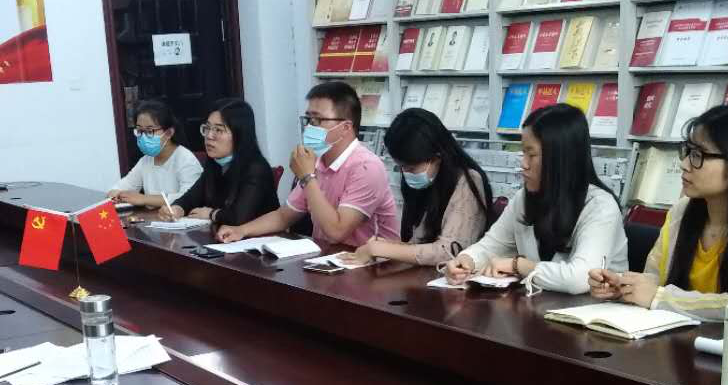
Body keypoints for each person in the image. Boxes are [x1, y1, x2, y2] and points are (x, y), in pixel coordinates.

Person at [588, 103, 728, 320]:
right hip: (690, 336)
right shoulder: (682, 210)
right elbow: (654, 279)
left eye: (697, 155)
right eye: (688, 151)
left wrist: (659, 297)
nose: (684, 164)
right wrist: (625, 287)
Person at [444, 104, 624, 293]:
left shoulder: (601, 206)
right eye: (523, 153)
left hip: (591, 309)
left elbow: (580, 279)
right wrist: (467, 260)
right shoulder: (524, 197)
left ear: (560, 158)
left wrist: (518, 265)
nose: (524, 164)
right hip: (541, 304)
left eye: (532, 154)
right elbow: (493, 245)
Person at [215, 80, 399, 247]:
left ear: (345, 127)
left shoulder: (367, 167)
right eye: (309, 119)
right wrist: (242, 230)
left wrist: (307, 177)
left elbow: (336, 232)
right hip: (329, 259)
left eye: (318, 120)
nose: (310, 127)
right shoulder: (318, 161)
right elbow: (284, 216)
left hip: (375, 265)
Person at [341, 107, 490, 266]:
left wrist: (381, 249)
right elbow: (419, 243)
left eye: (411, 168)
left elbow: (450, 251)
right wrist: (387, 246)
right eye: (401, 167)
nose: (406, 174)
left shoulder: (468, 181)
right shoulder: (430, 183)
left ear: (437, 157)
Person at [164, 98, 280, 227]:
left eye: (218, 130)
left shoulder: (256, 168)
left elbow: (239, 217)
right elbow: (190, 198)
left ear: (239, 134)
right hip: (226, 236)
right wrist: (177, 208)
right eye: (207, 128)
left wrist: (211, 214)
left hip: (261, 238)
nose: (209, 136)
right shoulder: (215, 163)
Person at [105, 99, 202, 211]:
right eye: (140, 131)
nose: (143, 137)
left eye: (149, 131)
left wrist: (144, 199)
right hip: (153, 218)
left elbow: (189, 198)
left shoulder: (186, 159)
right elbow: (122, 187)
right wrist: (115, 194)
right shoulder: (146, 160)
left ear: (169, 133)